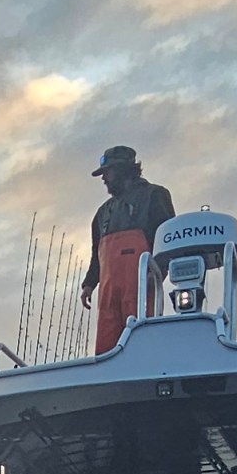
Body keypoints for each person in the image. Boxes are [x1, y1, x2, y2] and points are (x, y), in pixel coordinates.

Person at [79, 145, 176, 353]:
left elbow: (168, 240)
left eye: (107, 173)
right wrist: (89, 284)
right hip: (108, 293)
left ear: (123, 169)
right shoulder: (102, 213)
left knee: (142, 343)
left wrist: (159, 270)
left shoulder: (154, 195)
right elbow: (97, 255)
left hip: (140, 287)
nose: (103, 179)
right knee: (106, 351)